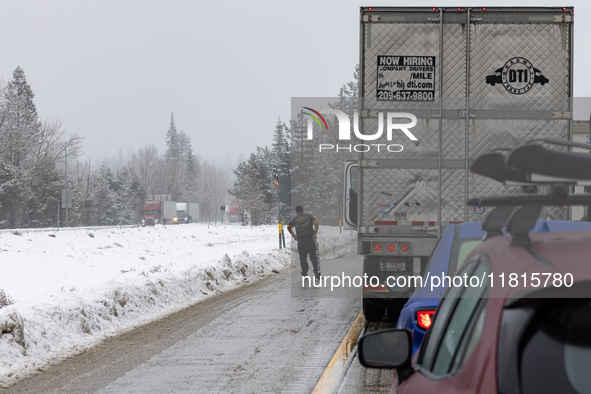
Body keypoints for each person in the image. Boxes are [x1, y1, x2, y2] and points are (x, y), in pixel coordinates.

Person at [287, 205, 320, 279]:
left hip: (301, 241)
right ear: (303, 210)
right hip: (310, 239)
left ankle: (304, 273)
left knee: (303, 258)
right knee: (313, 256)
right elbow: (316, 223)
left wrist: (294, 236)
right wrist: (315, 234)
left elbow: (288, 227)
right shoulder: (309, 216)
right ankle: (316, 273)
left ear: (296, 212)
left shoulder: (295, 219)